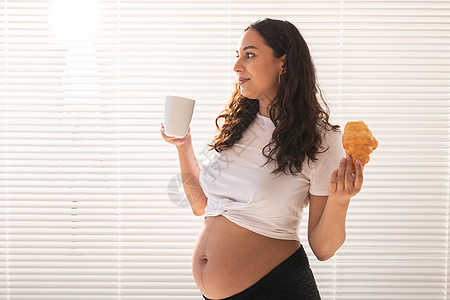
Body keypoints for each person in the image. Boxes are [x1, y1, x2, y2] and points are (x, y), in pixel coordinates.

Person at [160, 18, 363, 300]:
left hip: (279, 288)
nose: (237, 66)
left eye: (250, 55)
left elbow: (323, 249)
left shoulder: (320, 140)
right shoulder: (237, 126)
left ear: (284, 63)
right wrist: (183, 146)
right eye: (238, 55)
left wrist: (341, 201)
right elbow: (201, 205)